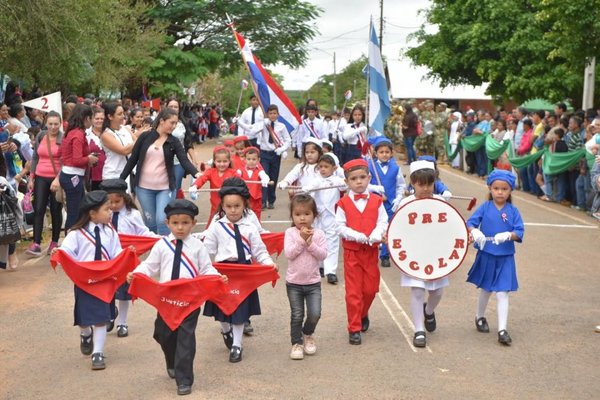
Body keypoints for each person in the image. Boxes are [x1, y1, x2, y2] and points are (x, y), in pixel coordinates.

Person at [127, 199, 226, 395]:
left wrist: (217, 278)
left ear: (193, 223)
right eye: (175, 223)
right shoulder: (162, 245)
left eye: (185, 223)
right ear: (167, 223)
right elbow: (150, 266)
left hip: (189, 300)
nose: (180, 227)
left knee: (185, 339)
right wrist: (137, 274)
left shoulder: (197, 246)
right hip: (166, 300)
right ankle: (171, 360)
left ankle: (184, 379)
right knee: (163, 334)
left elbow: (206, 268)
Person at [202, 178, 276, 363]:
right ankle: (225, 330)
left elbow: (259, 251)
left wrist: (268, 264)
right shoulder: (217, 226)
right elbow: (208, 250)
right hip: (223, 273)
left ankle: (237, 344)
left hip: (244, 272)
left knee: (239, 310)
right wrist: (202, 267)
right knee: (222, 309)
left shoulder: (250, 226)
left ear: (245, 205)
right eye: (229, 206)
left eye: (237, 205)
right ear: (223, 206)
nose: (233, 210)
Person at [51, 191, 121, 370]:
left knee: (101, 319)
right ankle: (85, 333)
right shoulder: (76, 233)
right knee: (84, 320)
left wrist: (126, 258)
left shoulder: (111, 232)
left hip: (104, 280)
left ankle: (98, 353)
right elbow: (67, 252)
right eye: (106, 209)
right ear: (92, 213)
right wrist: (59, 253)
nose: (110, 211)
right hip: (85, 282)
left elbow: (117, 254)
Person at [120, 108, 199, 235]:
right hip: (143, 188)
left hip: (165, 188)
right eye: (171, 123)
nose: (174, 127)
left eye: (176, 123)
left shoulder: (173, 141)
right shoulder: (145, 137)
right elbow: (133, 160)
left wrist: (196, 173)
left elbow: (184, 160)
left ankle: (165, 249)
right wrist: (121, 179)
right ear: (162, 121)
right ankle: (155, 250)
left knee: (162, 220)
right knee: (150, 222)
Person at [467, 169, 524, 346]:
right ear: (490, 189)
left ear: (510, 191)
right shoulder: (485, 207)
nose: (500, 192)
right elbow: (471, 222)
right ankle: (480, 316)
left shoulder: (513, 211)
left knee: (502, 292)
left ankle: (502, 329)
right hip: (487, 254)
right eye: (496, 188)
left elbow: (519, 231)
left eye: (504, 189)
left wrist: (508, 235)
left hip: (505, 256)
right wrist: (475, 232)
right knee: (486, 289)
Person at [396, 161, 448, 348]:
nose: (425, 188)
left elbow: (451, 228)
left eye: (429, 184)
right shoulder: (405, 203)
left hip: (436, 254)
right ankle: (419, 329)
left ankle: (429, 310)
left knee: (437, 291)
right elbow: (397, 228)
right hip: (414, 254)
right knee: (417, 290)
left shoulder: (441, 202)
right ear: (413, 183)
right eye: (421, 184)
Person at [335, 159, 387, 345]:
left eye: (362, 177)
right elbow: (339, 227)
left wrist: (376, 233)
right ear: (347, 182)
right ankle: (354, 327)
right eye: (354, 179)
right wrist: (357, 236)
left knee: (371, 289)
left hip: (371, 252)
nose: (359, 182)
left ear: (369, 178)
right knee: (354, 292)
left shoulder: (376, 201)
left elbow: (383, 221)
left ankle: (363, 313)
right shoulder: (343, 204)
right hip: (352, 253)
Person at [101, 178, 158, 337]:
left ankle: (122, 323)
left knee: (124, 292)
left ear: (124, 198)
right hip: (109, 259)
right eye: (109, 202)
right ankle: (110, 313)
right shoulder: (103, 214)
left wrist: (158, 239)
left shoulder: (132, 215)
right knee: (107, 289)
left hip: (126, 260)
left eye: (117, 201)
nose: (113, 205)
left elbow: (142, 233)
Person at [284, 194, 327, 360]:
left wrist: (310, 243)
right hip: (294, 283)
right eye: (298, 214)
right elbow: (289, 254)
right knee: (297, 314)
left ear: (314, 215)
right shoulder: (290, 233)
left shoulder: (319, 234)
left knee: (315, 313)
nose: (302, 218)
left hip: (313, 283)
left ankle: (307, 333)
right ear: (292, 216)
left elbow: (322, 255)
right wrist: (302, 241)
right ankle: (296, 343)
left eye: (307, 214)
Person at [26, 111, 63, 256]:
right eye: (50, 124)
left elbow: (65, 161)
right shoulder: (41, 136)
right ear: (46, 123)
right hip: (40, 176)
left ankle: (54, 241)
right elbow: (35, 157)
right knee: (39, 209)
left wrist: (58, 179)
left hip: (57, 178)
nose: (53, 127)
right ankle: (36, 243)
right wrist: (31, 177)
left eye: (56, 124)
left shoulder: (63, 138)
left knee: (55, 210)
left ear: (60, 124)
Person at [367, 137, 406, 268]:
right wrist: (375, 189)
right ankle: (371, 253)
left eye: (387, 152)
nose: (384, 154)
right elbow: (364, 185)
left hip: (390, 203)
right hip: (374, 203)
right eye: (381, 152)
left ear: (391, 153)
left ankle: (385, 256)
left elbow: (401, 185)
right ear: (376, 153)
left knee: (388, 229)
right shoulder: (370, 166)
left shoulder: (396, 168)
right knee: (373, 227)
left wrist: (398, 198)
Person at [306, 153, 346, 283]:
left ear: (333, 168)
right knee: (317, 240)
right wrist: (306, 188)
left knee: (332, 243)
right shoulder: (316, 180)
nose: (323, 169)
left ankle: (331, 271)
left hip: (331, 216)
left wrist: (341, 176)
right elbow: (308, 188)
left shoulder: (337, 180)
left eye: (326, 167)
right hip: (318, 216)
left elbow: (345, 185)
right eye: (321, 166)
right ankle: (320, 266)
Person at [60, 104, 97, 230]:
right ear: (86, 118)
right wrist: (89, 159)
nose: (92, 121)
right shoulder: (78, 135)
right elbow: (76, 160)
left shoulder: (73, 132)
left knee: (79, 210)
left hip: (72, 175)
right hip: (72, 176)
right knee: (74, 212)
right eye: (91, 118)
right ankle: (69, 241)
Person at [189, 146, 237, 226]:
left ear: (229, 161)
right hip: (216, 206)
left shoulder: (233, 172)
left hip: (230, 207)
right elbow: (202, 178)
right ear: (214, 161)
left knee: (231, 225)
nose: (222, 164)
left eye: (225, 161)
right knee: (211, 226)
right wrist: (195, 186)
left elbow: (240, 183)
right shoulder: (211, 171)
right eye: (219, 161)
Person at [257, 104, 291, 209]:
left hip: (275, 154)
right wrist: (261, 123)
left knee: (274, 176)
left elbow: (288, 140)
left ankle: (271, 200)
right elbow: (252, 131)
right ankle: (263, 200)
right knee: (264, 176)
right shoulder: (264, 124)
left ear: (278, 114)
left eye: (274, 113)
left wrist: (281, 149)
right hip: (265, 153)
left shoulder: (281, 126)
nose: (272, 115)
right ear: (267, 114)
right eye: (270, 113)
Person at [166, 99, 199, 194]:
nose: (173, 109)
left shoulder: (183, 123)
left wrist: (194, 160)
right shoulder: (160, 123)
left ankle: (176, 207)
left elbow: (188, 143)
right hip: (163, 161)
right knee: (164, 188)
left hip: (179, 161)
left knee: (176, 187)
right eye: (170, 106)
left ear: (179, 109)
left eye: (175, 107)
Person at [236, 147, 269, 219]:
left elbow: (264, 176)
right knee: (243, 214)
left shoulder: (259, 170)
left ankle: (257, 229)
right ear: (245, 160)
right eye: (249, 159)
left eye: (254, 159)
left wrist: (265, 180)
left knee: (256, 215)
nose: (251, 161)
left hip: (256, 198)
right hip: (244, 197)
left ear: (258, 160)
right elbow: (236, 176)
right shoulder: (240, 170)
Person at [86, 107, 107, 191]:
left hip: (109, 173)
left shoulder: (110, 132)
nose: (100, 121)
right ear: (92, 120)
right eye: (97, 118)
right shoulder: (86, 134)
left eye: (102, 118)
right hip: (93, 174)